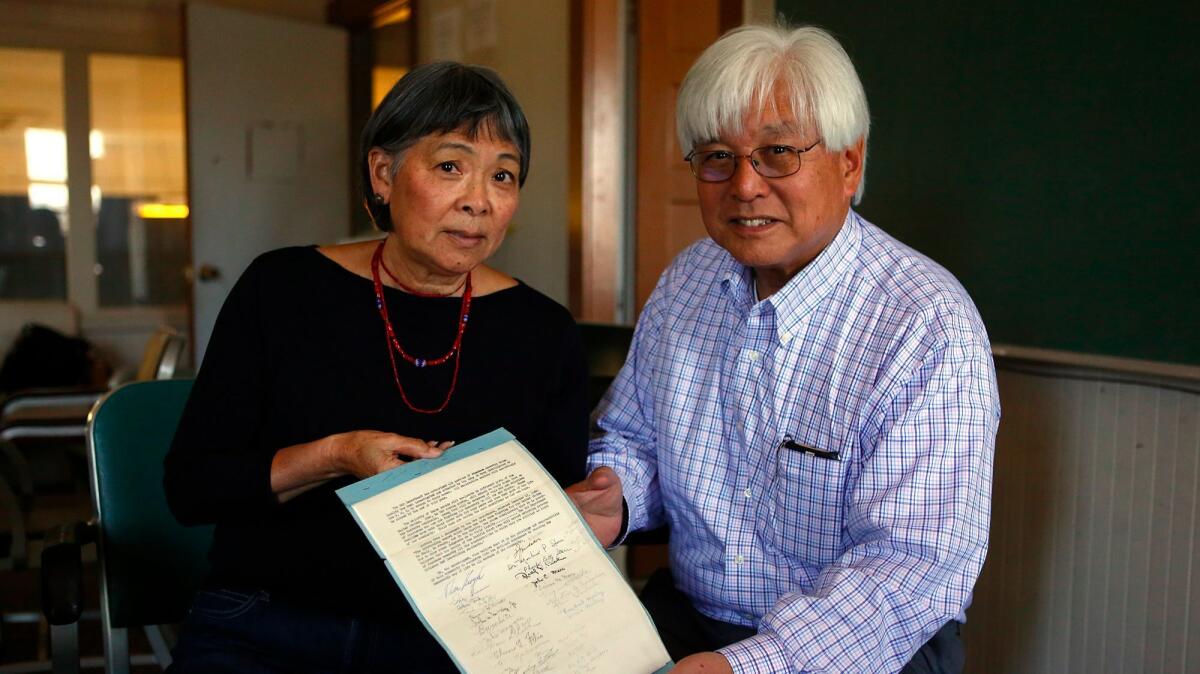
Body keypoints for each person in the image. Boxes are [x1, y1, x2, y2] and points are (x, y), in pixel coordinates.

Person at [568, 25, 1001, 674]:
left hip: (863, 649)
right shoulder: (689, 279)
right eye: (717, 156)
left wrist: (749, 666)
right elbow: (634, 438)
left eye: (777, 153)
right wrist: (618, 496)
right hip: (695, 620)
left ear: (849, 164)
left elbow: (908, 569)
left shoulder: (926, 323)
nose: (743, 186)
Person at [164, 62, 589, 673]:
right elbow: (191, 487)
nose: (479, 200)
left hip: (454, 640)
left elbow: (542, 533)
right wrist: (337, 454)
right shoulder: (282, 289)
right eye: (450, 166)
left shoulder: (544, 331)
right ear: (384, 173)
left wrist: (577, 509)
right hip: (268, 621)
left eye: (504, 175)